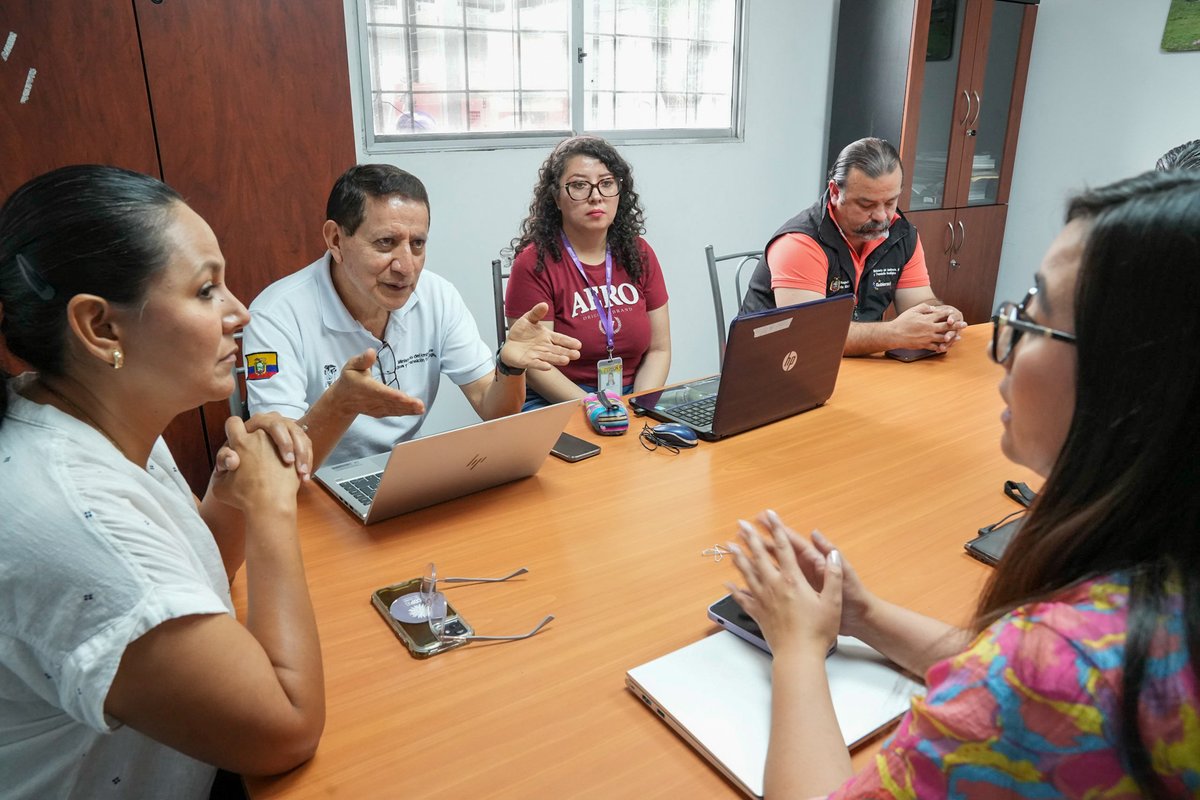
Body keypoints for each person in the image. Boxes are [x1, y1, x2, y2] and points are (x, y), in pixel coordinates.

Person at [726, 170, 1200, 798]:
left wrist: (796, 649)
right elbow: (993, 656)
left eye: (1036, 315)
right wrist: (864, 617)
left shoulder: (1063, 676)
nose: (1005, 343)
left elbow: (1022, 675)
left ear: (1134, 376)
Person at [0, 165, 324, 798]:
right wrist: (272, 512)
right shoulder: (70, 515)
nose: (241, 312)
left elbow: (182, 579)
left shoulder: (87, 412)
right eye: (206, 291)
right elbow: (285, 730)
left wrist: (231, 498)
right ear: (100, 327)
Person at [243, 164, 581, 467]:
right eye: (386, 243)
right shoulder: (275, 316)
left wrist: (510, 367)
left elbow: (493, 408)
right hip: (313, 486)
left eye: (417, 244)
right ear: (335, 240)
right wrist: (340, 403)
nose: (406, 267)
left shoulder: (437, 295)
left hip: (403, 473)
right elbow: (281, 461)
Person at [741, 137, 967, 356]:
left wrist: (941, 318)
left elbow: (918, 303)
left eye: (890, 202)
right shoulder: (800, 244)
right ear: (836, 192)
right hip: (776, 368)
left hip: (856, 364)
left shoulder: (901, 234)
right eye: (866, 204)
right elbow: (808, 336)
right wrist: (894, 333)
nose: (881, 216)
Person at [505, 135, 671, 407]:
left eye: (606, 184)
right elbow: (536, 368)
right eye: (579, 186)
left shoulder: (639, 253)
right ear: (557, 198)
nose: (596, 196)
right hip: (558, 398)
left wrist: (638, 405)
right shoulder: (533, 263)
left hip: (632, 393)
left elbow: (659, 349)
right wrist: (597, 406)